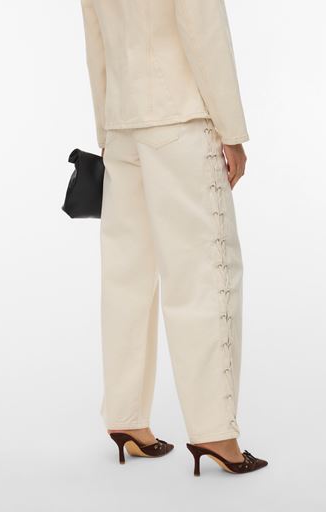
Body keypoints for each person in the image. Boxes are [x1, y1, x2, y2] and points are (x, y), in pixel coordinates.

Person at [81, 0, 267, 475]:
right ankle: (215, 431)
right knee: (204, 274)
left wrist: (106, 130)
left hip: (121, 126)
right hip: (179, 120)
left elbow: (95, 41)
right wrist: (231, 130)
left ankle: (126, 420)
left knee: (126, 280)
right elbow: (204, 30)